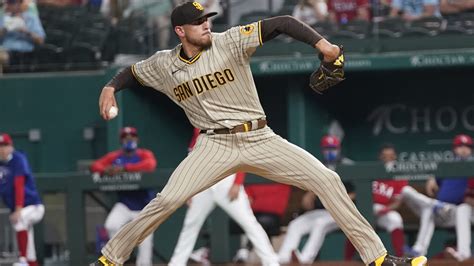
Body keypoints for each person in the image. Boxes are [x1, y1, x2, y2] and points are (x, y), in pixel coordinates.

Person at [92, 2, 427, 265]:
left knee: (327, 179)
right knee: (167, 199)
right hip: (213, 144)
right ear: (180, 30)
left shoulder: (229, 41)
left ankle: (378, 258)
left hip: (259, 137)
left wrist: (322, 45)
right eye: (198, 22)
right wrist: (110, 88)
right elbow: (132, 73)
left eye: (207, 19)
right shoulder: (164, 64)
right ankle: (111, 258)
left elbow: (282, 22)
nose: (206, 24)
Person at [168, 128, 279, 266]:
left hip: (226, 182)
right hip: (203, 184)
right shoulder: (198, 126)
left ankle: (272, 262)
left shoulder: (226, 121)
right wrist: (190, 190)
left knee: (249, 223)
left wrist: (237, 182)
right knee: (190, 225)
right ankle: (176, 263)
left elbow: (240, 154)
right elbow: (191, 159)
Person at [278, 135, 355, 264]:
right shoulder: (318, 165)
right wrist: (310, 193)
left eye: (333, 148)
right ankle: (283, 258)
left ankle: (305, 259)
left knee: (320, 224)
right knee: (295, 225)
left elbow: (358, 192)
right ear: (322, 149)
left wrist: (341, 199)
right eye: (327, 148)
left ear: (339, 148)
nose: (330, 151)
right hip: (321, 211)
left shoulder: (348, 165)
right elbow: (307, 202)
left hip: (341, 212)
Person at [90, 127, 157, 266]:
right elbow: (95, 165)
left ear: (137, 139)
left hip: (144, 206)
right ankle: (117, 258)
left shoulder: (143, 154)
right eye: (126, 137)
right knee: (111, 225)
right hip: (125, 204)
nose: (129, 139)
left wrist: (125, 168)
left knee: (145, 250)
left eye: (132, 136)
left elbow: (150, 165)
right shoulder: (115, 156)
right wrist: (105, 169)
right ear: (121, 140)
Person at [402, 134, 474, 261]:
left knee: (463, 209)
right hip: (443, 211)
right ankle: (418, 251)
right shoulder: (447, 166)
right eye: (460, 146)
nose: (463, 149)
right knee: (417, 200)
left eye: (467, 146)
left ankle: (464, 254)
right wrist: (432, 178)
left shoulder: (472, 165)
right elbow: (435, 182)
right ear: (455, 149)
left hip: (462, 212)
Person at [345, 143, 408, 260]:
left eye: (390, 156)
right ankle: (347, 260)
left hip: (385, 211)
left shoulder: (399, 176)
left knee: (396, 219)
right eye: (385, 156)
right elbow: (360, 192)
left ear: (395, 157)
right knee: (356, 222)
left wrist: (387, 209)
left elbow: (398, 202)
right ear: (380, 157)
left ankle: (400, 257)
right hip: (368, 208)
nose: (387, 159)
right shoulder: (372, 172)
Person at [0, 133, 44, 266]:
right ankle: (28, 260)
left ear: (11, 146)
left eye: (5, 145)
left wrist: (18, 209)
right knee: (30, 250)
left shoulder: (18, 159)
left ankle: (22, 260)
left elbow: (19, 185)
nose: (2, 149)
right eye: (0, 146)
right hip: (19, 209)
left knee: (19, 220)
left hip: (33, 206)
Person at [0, 0, 45, 66]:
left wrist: (26, 31)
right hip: (6, 51)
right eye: (7, 2)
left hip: (26, 53)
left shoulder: (31, 18)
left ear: (20, 3)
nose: (8, 5)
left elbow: (41, 40)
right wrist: (5, 29)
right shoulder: (3, 18)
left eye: (12, 2)